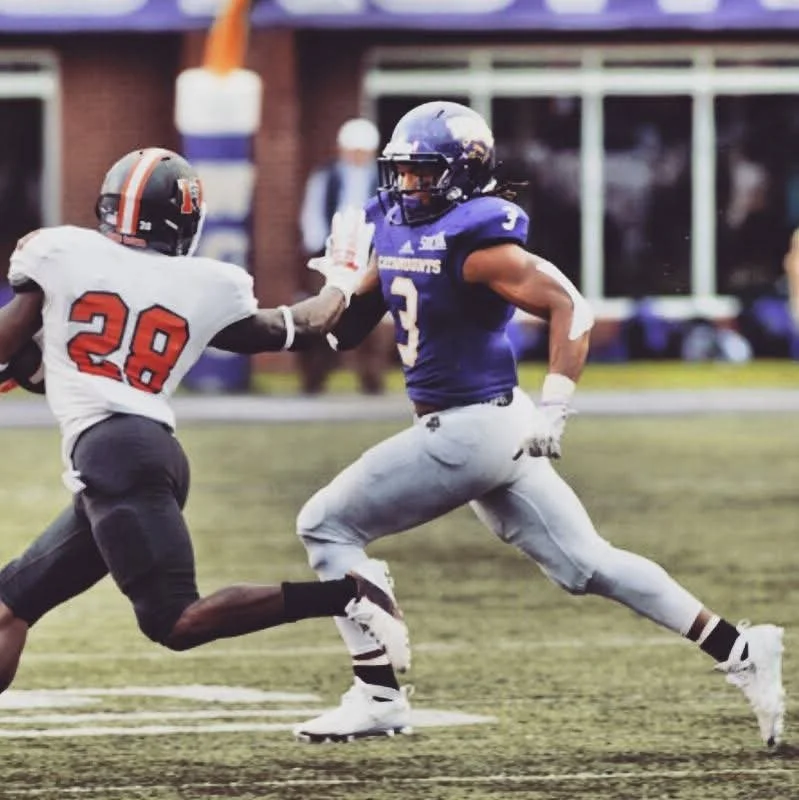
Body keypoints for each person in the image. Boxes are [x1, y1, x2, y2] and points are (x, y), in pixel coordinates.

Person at [291, 102, 786, 746]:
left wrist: (557, 401)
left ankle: (378, 694)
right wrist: (339, 283)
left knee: (325, 525)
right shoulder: (395, 225)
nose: (405, 186)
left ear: (461, 175)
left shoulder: (478, 241)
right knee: (587, 567)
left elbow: (570, 304)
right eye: (401, 172)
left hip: (468, 431)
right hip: (491, 430)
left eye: (420, 173)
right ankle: (741, 645)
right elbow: (348, 331)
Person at [0, 147, 409, 694]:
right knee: (8, 606)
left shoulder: (59, 251)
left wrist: (19, 358)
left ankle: (349, 594)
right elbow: (303, 324)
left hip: (116, 460)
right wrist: (340, 279)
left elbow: (11, 343)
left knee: (176, 621)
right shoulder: (203, 286)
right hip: (137, 455)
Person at [298, 118, 391, 395]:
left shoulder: (383, 179)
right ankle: (314, 378)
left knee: (372, 317)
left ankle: (372, 379)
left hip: (373, 255)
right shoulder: (326, 176)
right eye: (352, 150)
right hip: (333, 254)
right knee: (323, 315)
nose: (357, 156)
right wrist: (318, 249)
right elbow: (312, 213)